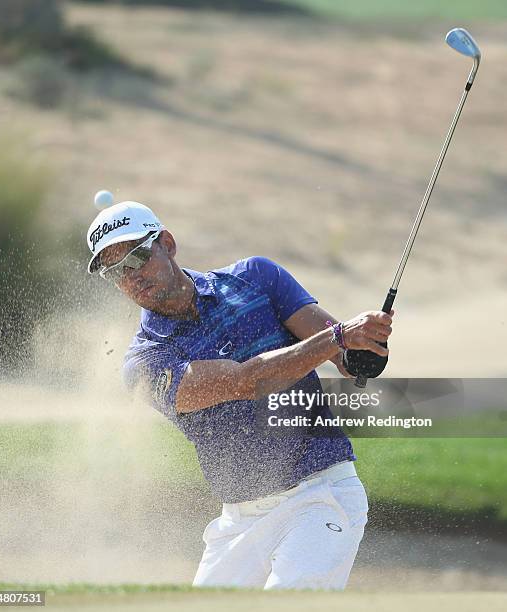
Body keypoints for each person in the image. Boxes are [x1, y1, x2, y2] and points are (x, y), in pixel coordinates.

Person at [86, 199, 393, 590]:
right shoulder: (145, 362)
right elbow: (247, 382)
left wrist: (364, 347)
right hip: (239, 520)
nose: (131, 277)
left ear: (167, 243)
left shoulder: (257, 278)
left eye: (137, 257)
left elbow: (344, 356)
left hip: (321, 496)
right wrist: (338, 337)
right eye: (116, 271)